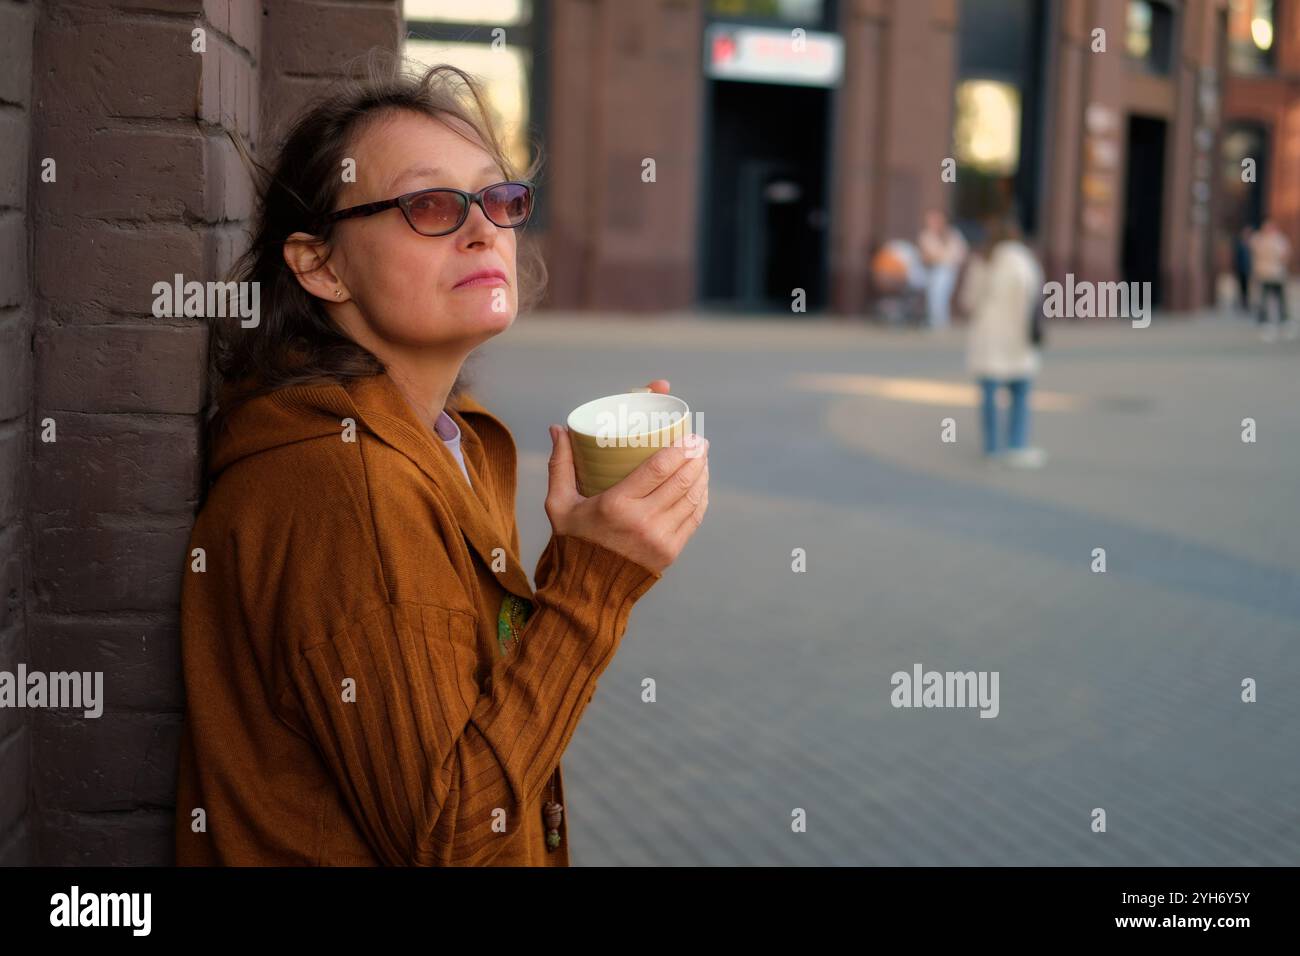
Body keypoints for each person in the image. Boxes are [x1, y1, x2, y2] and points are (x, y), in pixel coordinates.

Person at [174, 55, 710, 867]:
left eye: (498, 198)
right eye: (430, 204)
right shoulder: (345, 484)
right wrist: (595, 584)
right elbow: (455, 835)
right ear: (319, 264)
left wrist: (581, 549)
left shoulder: (447, 436)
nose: (483, 227)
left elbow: (478, 712)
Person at [961, 216, 1046, 468]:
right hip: (1016, 334)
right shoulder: (1023, 260)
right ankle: (1016, 445)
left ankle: (991, 448)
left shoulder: (983, 260)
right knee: (1020, 392)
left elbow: (969, 301)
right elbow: (1032, 296)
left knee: (989, 392)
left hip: (987, 334)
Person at [918, 209, 968, 330]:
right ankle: (936, 319)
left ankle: (939, 320)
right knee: (935, 288)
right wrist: (940, 258)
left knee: (941, 287)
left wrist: (941, 258)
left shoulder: (953, 235)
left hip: (948, 271)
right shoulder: (926, 235)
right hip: (929, 271)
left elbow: (960, 255)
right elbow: (926, 257)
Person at [1249, 219, 1295, 341]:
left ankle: (1282, 321)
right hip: (1266, 274)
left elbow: (1285, 255)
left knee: (1279, 299)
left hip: (1275, 274)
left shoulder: (1270, 240)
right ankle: (1267, 323)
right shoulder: (1264, 240)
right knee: (1266, 300)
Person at [1234, 226, 1253, 315]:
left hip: (1248, 269)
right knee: (1242, 287)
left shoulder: (1251, 245)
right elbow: (1237, 258)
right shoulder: (1240, 244)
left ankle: (1247, 303)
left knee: (1248, 287)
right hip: (1241, 269)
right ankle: (1243, 303)